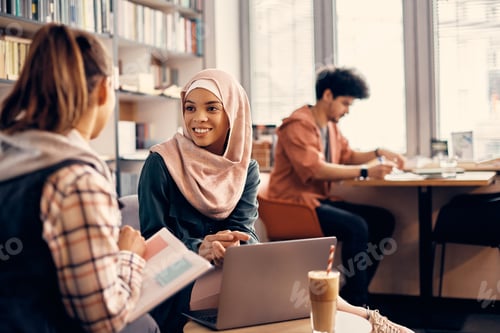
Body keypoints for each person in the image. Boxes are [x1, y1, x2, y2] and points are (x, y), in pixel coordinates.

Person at [138, 68, 413, 333]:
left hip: (231, 271)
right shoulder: (161, 163)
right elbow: (152, 242)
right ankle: (369, 317)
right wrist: (200, 248)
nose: (198, 118)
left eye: (211, 108)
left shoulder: (246, 167)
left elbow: (245, 230)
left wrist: (237, 246)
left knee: (298, 286)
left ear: (233, 112)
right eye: (190, 108)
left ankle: (368, 318)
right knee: (294, 290)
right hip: (179, 281)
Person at [0, 24, 158, 333]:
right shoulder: (76, 180)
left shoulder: (11, 151)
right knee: (144, 326)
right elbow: (104, 319)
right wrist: (129, 256)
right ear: (103, 89)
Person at [268, 66, 406, 307]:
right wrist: (366, 171)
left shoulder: (330, 126)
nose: (347, 111)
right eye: (345, 103)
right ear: (328, 95)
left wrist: (378, 152)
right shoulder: (297, 125)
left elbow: (347, 155)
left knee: (383, 220)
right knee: (356, 226)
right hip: (292, 205)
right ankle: (357, 303)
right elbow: (315, 169)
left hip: (316, 201)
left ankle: (350, 295)